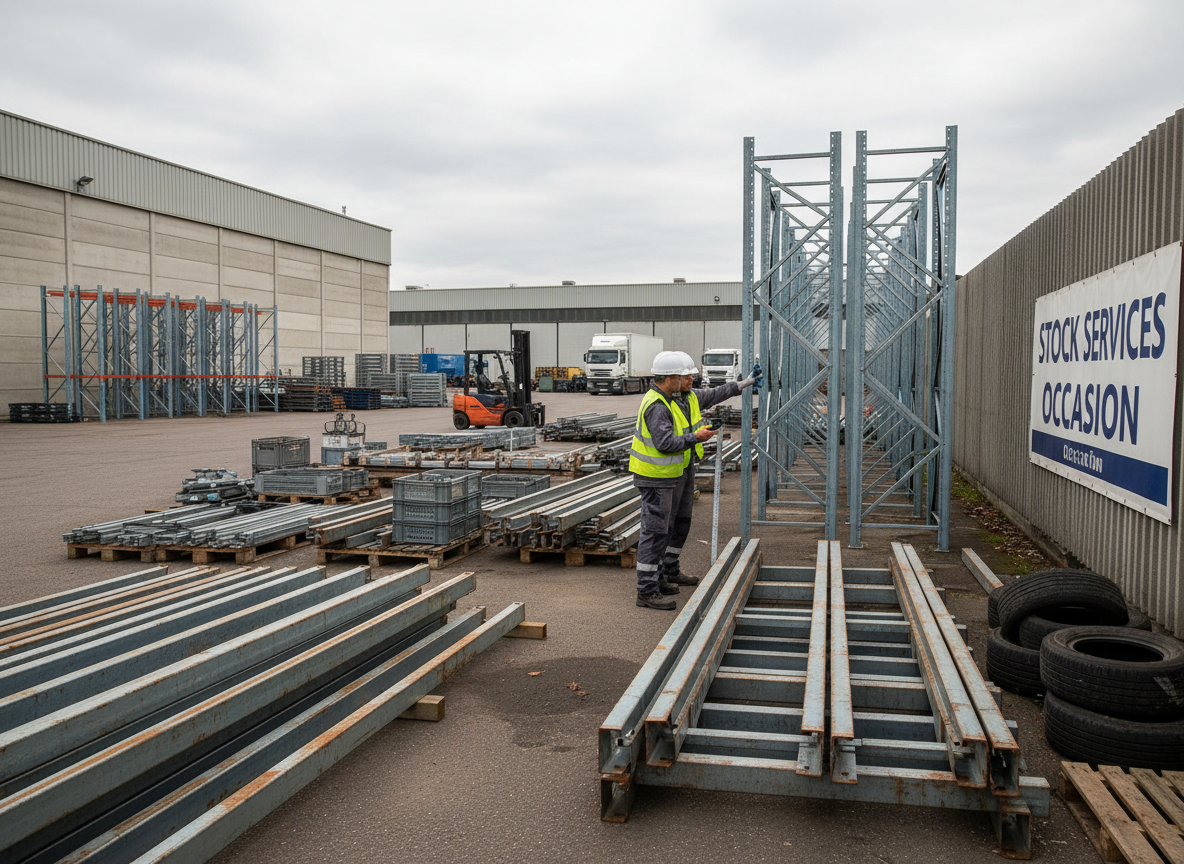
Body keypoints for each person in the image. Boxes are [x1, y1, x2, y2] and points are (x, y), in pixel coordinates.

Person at [629, 351, 761, 610]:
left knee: (680, 523)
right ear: (669, 378)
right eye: (686, 376)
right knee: (655, 531)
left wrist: (744, 383)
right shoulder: (657, 406)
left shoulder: (685, 397)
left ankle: (667, 571)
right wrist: (696, 438)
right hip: (657, 477)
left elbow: (715, 394)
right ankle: (646, 589)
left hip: (679, 471)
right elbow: (665, 443)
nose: (692, 380)